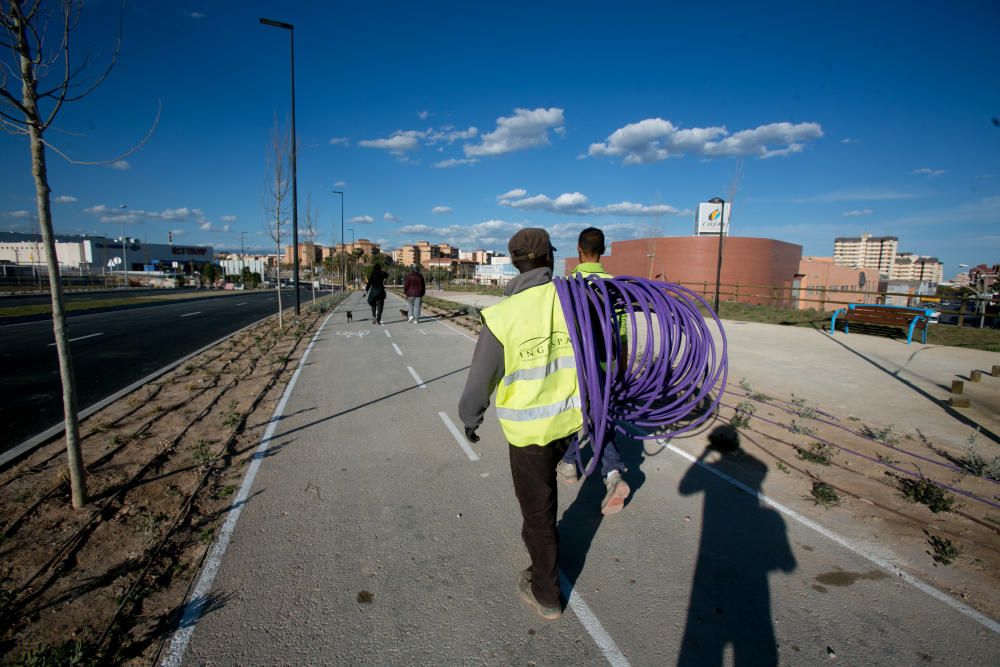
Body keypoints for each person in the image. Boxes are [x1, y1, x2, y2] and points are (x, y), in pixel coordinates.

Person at [459, 228, 579, 621]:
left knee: (538, 515)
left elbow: (480, 380)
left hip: (528, 434)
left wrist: (469, 418)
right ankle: (544, 558)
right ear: (549, 258)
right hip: (570, 422)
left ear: (514, 262)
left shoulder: (502, 316)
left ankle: (546, 593)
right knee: (544, 506)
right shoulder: (575, 303)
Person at [554, 227, 630, 515]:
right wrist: (620, 368)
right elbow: (622, 332)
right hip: (606, 364)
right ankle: (609, 473)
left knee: (576, 412)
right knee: (602, 415)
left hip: (577, 365)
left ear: (578, 249)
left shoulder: (567, 285)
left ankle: (572, 463)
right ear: (604, 249)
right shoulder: (616, 286)